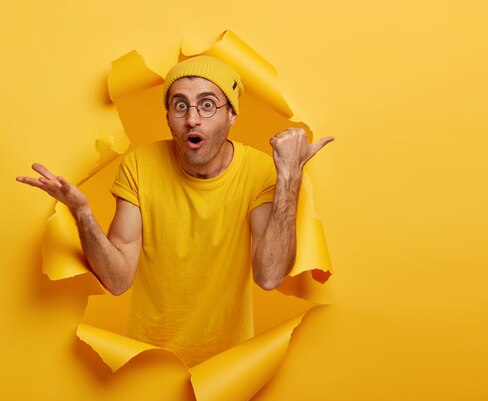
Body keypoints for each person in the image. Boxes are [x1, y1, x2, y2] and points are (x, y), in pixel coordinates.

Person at [16, 55, 333, 366]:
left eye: (207, 105)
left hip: (226, 369)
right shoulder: (140, 166)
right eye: (180, 105)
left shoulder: (258, 171)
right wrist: (81, 213)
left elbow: (270, 275)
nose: (192, 118)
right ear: (168, 116)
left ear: (231, 114)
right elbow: (117, 280)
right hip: (149, 363)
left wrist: (290, 175)